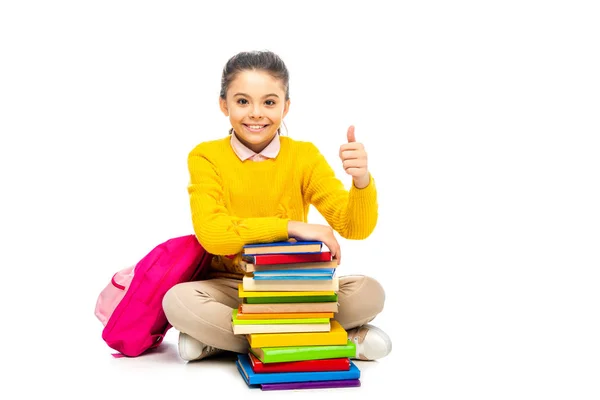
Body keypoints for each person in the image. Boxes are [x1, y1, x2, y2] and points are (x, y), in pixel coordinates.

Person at [162, 50, 392, 362]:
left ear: (285, 107)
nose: (256, 113)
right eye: (243, 101)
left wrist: (361, 180)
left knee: (370, 292)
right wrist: (290, 226)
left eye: (269, 102)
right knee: (178, 300)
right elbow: (213, 235)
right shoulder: (206, 156)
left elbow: (355, 227)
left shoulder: (304, 156)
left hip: (297, 285)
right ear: (223, 105)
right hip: (233, 287)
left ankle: (225, 340)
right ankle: (330, 338)